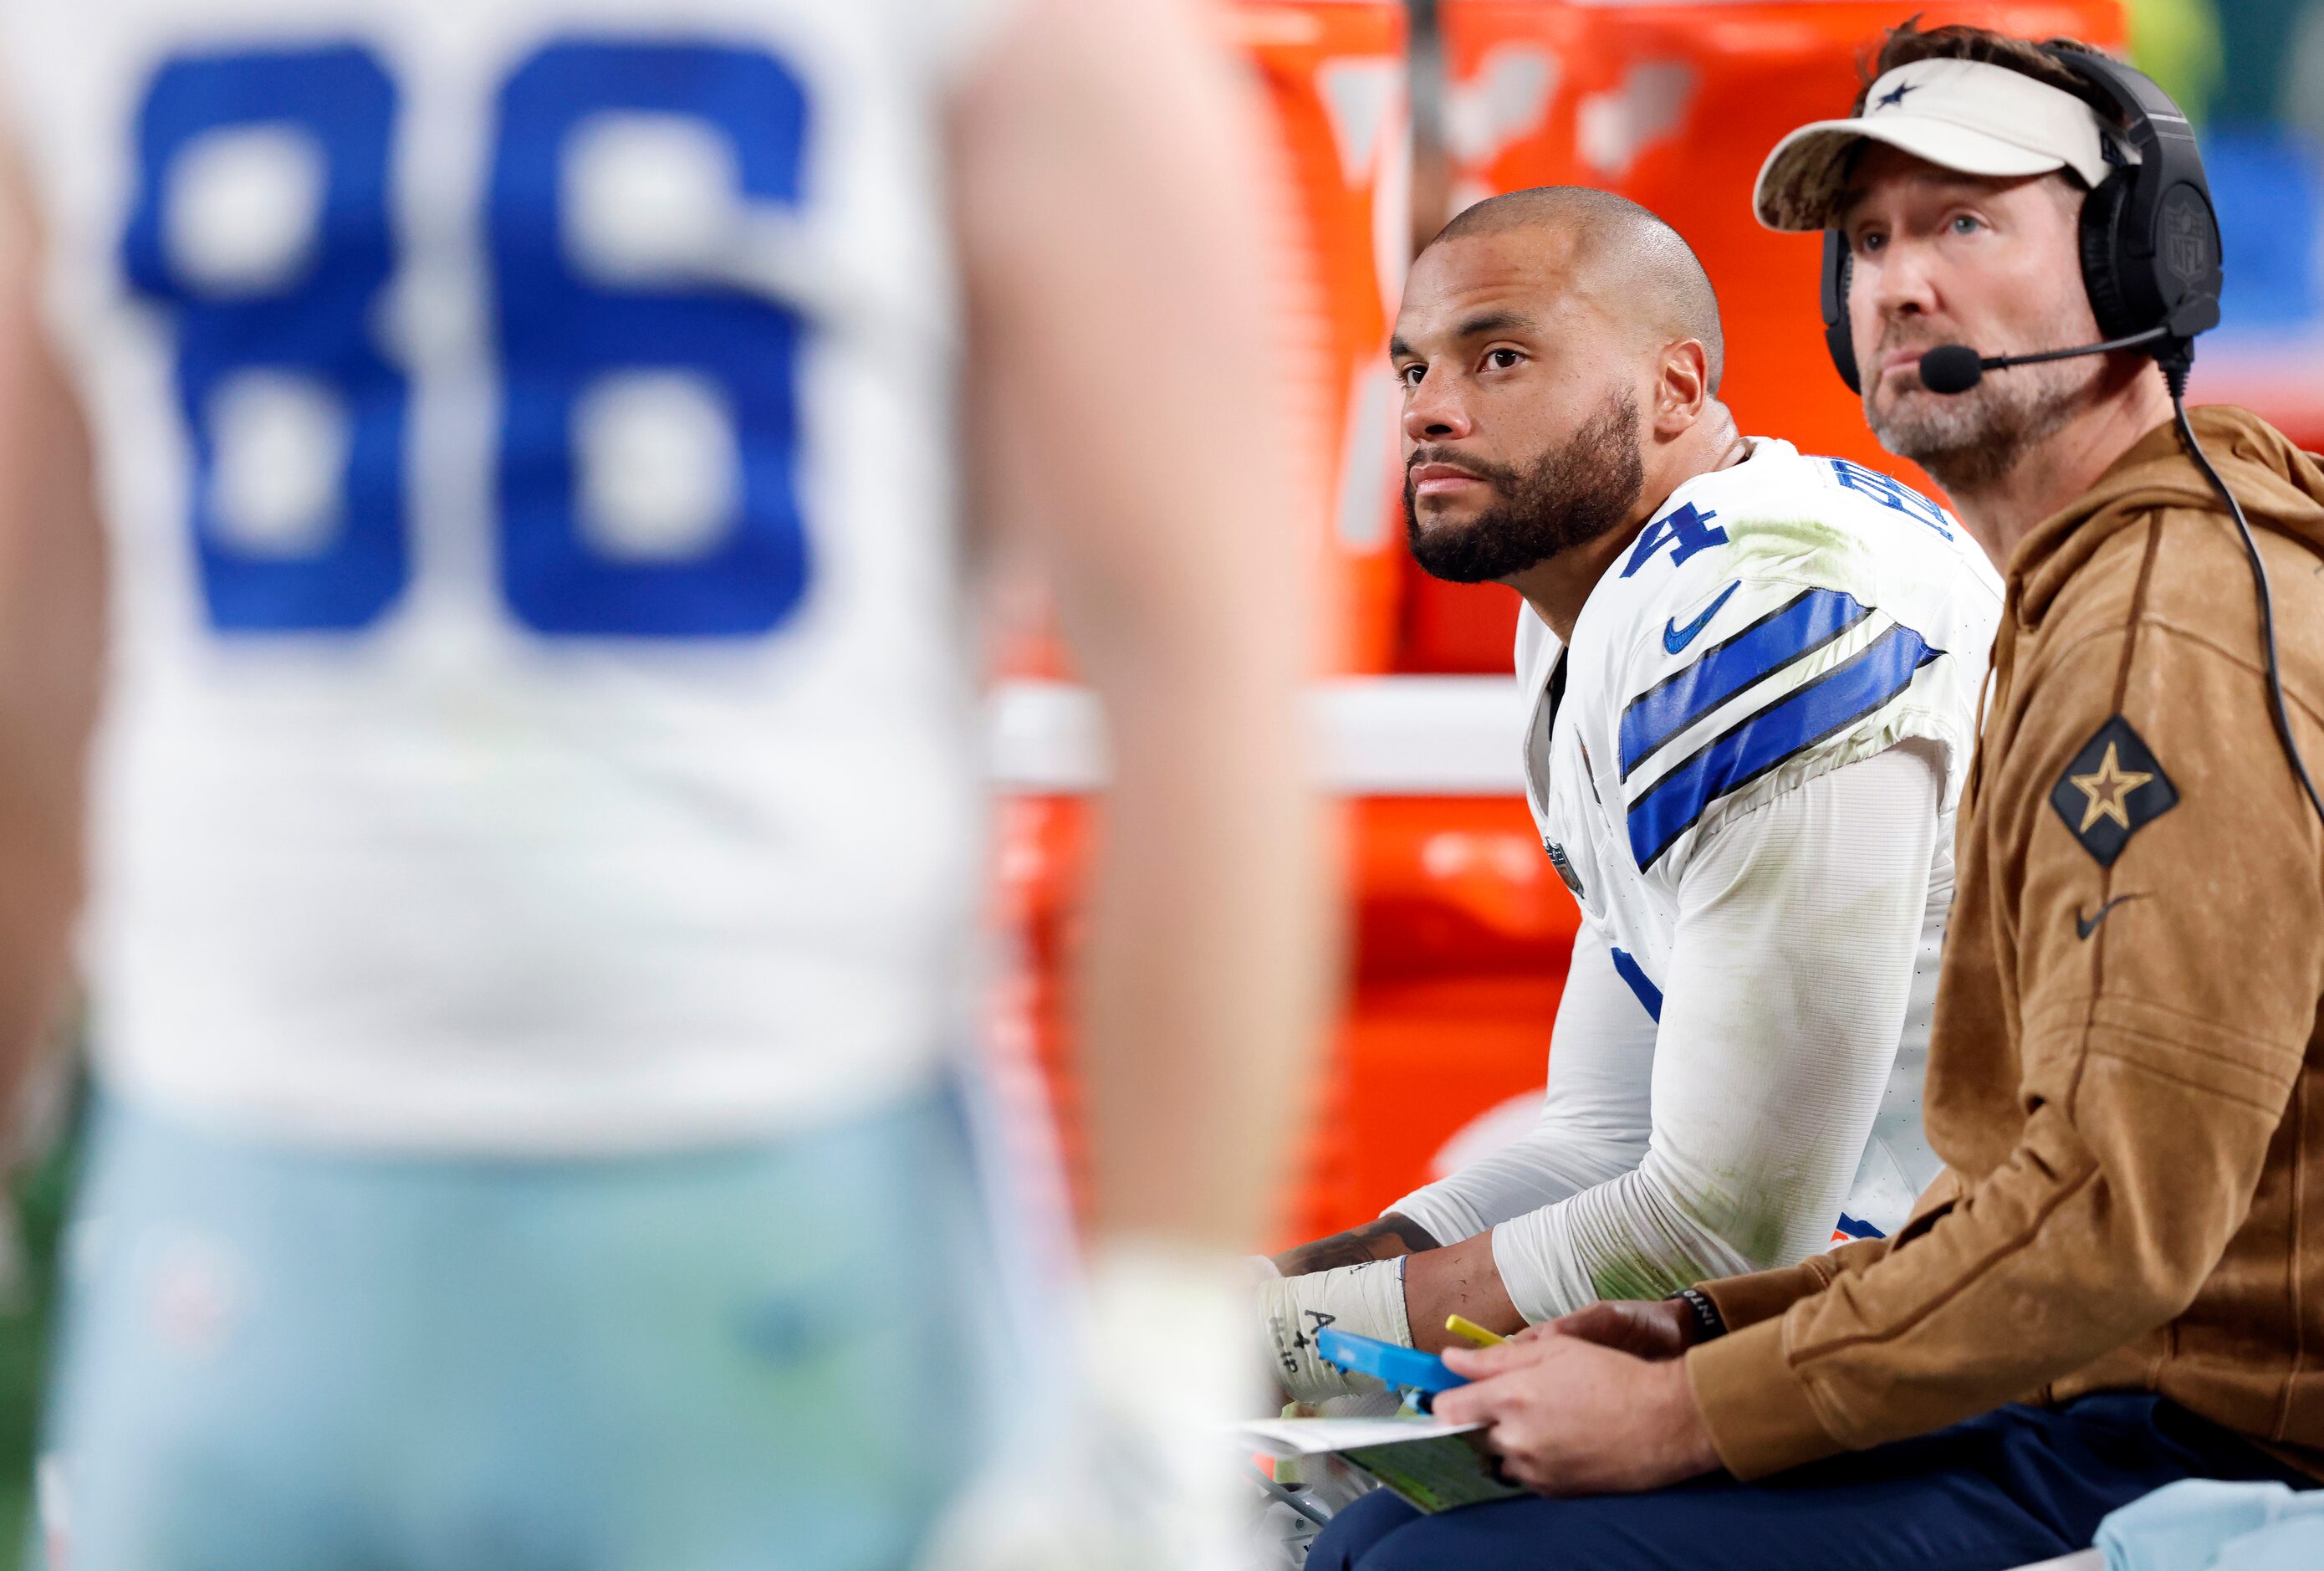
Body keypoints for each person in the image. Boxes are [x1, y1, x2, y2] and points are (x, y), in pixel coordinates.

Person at [0, 1, 1331, 1564]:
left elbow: (33, 688)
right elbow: (1210, 676)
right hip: (743, 1220)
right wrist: (1155, 1364)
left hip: (253, 1221)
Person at [1312, 24, 2324, 1571]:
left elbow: (2110, 1222)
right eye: (1868, 240)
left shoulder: (2153, 627)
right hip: (2090, 1375)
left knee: (1426, 1566)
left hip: (2195, 1429)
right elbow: (2015, 1198)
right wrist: (1704, 1328)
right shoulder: (2092, 583)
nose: (1900, 283)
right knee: (1389, 1521)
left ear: (2141, 266)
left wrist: (1688, 1407)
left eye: (1965, 223)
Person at [1255, 185, 2002, 1405]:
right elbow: (1600, 1138)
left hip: (2061, 1344)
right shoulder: (1600, 608)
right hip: (1886, 1294)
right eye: (1410, 370)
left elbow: (1720, 1229)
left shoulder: (1757, 599)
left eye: (1499, 356)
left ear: (1675, 388)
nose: (1430, 411)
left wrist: (1287, 1341)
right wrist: (1285, 1301)